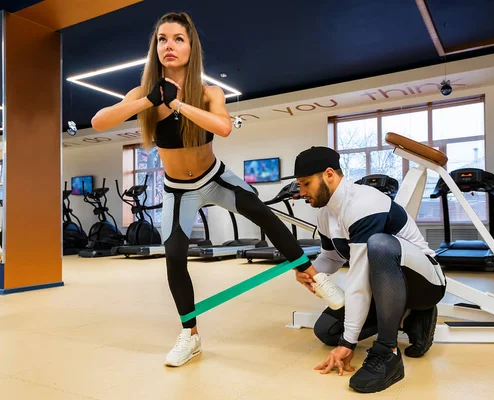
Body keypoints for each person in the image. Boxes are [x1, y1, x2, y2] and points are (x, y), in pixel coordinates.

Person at [91, 12, 345, 367]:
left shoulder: (210, 92)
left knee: (261, 211)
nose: (169, 45)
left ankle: (314, 277)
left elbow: (223, 128)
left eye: (178, 38)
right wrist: (151, 100)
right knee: (175, 256)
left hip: (215, 178)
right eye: (163, 39)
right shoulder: (141, 93)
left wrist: (177, 103)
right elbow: (99, 121)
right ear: (156, 47)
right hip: (179, 190)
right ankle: (190, 336)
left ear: (191, 47)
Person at [289, 146, 447, 394]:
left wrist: (349, 343)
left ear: (329, 174)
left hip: (425, 284)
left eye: (306, 183)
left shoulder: (364, 203)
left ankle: (388, 351)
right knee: (326, 332)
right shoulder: (325, 214)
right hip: (383, 288)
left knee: (379, 245)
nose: (302, 192)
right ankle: (409, 317)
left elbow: (359, 280)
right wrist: (310, 270)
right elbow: (331, 257)